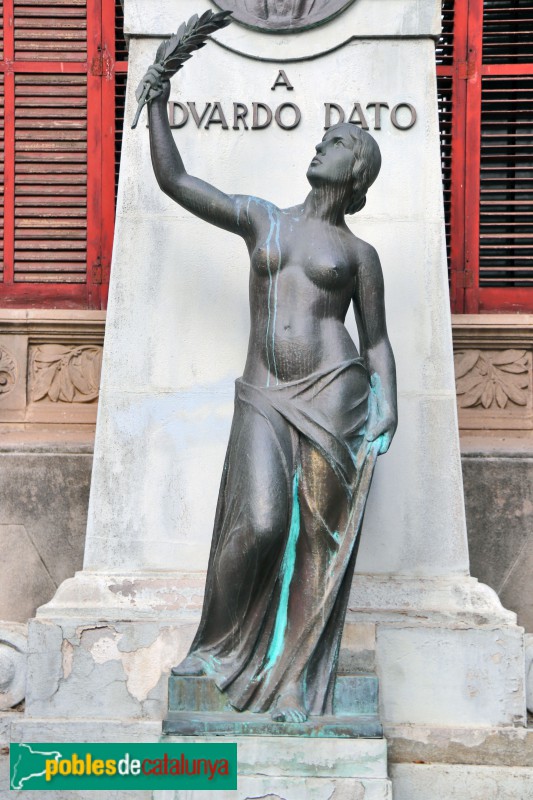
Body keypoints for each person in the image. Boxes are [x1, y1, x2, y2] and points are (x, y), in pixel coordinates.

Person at [140, 63, 397, 723]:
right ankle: (215, 649)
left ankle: (294, 672)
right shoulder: (262, 218)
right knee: (257, 523)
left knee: (314, 545)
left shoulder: (358, 253)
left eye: (335, 142)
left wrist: (387, 404)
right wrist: (159, 105)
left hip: (333, 402)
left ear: (356, 172)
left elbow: (373, 343)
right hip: (264, 393)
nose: (320, 146)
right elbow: (176, 182)